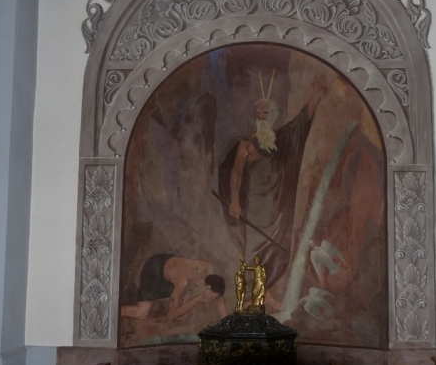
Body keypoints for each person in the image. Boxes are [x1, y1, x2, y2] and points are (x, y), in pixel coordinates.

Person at [217, 73, 328, 299]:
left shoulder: (282, 138)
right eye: (258, 113)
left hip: (277, 204)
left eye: (265, 113)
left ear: (273, 116)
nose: (261, 116)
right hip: (257, 204)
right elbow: (235, 173)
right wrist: (235, 201)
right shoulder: (246, 144)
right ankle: (254, 297)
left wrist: (316, 95)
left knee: (275, 247)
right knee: (255, 249)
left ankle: (264, 293)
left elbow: (300, 123)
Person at [122, 254, 227, 320]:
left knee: (185, 317)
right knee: (142, 314)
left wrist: (226, 325)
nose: (210, 300)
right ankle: (119, 311)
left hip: (171, 269)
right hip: (154, 271)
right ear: (207, 288)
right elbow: (171, 315)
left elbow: (220, 300)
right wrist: (196, 300)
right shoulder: (182, 282)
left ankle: (162, 304)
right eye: (211, 297)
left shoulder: (209, 269)